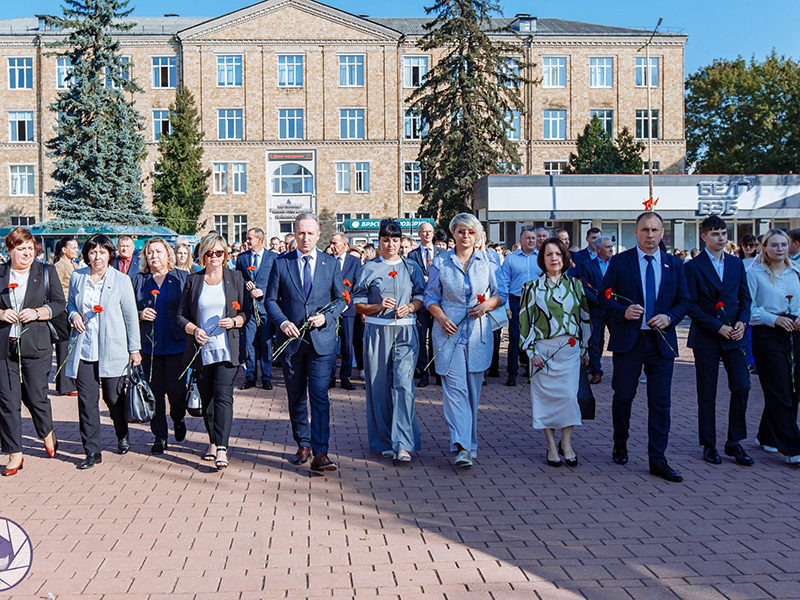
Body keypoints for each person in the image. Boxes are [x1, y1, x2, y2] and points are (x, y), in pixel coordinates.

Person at [601, 212, 690, 482]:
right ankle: (620, 441)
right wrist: (622, 311)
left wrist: (670, 317)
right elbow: (603, 298)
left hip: (661, 343)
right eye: (645, 230)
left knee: (660, 402)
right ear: (636, 232)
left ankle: (657, 459)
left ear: (663, 233)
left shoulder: (675, 265)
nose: (650, 235)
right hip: (630, 341)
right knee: (623, 396)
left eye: (655, 230)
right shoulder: (620, 261)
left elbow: (685, 301)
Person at [425, 213, 506, 467]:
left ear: (477, 235)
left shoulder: (488, 261)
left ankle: (469, 446)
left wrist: (487, 306)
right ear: (453, 234)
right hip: (449, 334)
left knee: (472, 393)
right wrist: (440, 318)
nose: (466, 236)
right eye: (461, 231)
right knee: (455, 391)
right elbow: (430, 297)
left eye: (471, 232)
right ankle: (462, 446)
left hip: (478, 333)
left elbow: (501, 294)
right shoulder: (441, 262)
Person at [266, 213, 346, 472]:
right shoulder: (281, 263)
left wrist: (327, 316)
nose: (305, 238)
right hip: (291, 341)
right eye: (301, 233)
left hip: (321, 342)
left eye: (310, 233)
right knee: (296, 395)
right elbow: (269, 300)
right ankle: (303, 443)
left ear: (318, 235)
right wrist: (282, 322)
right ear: (295, 233)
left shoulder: (330, 264)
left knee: (320, 396)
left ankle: (321, 452)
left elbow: (341, 299)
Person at [66, 234, 141, 470]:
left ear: (110, 254)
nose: (97, 257)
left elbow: (130, 316)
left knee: (113, 398)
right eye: (92, 252)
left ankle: (122, 432)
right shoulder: (78, 277)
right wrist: (73, 315)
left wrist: (134, 349)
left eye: (101, 252)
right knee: (87, 403)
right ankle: (92, 450)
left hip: (113, 348)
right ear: (87, 254)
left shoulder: (121, 280)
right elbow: (70, 304)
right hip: (85, 348)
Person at [354, 220, 425, 461]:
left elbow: (421, 297)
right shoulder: (368, 268)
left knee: (404, 385)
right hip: (377, 332)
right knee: (378, 387)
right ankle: (384, 440)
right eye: (386, 240)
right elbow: (358, 305)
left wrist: (411, 307)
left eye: (395, 240)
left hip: (405, 332)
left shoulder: (411, 267)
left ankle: (403, 443)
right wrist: (377, 306)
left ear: (401, 241)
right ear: (379, 241)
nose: (390, 244)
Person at [684, 216, 753, 466]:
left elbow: (746, 298)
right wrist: (718, 326)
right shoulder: (692, 267)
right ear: (704, 236)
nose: (721, 238)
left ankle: (734, 442)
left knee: (743, 386)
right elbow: (690, 305)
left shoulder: (736, 263)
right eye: (715, 234)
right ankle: (709, 444)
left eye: (723, 233)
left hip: (735, 335)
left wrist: (742, 323)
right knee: (707, 392)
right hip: (707, 337)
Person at [177, 232, 247, 470]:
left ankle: (222, 448)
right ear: (203, 255)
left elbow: (246, 313)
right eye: (210, 253)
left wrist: (236, 321)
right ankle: (212, 440)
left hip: (228, 349)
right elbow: (180, 315)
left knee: (223, 396)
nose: (215, 257)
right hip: (202, 350)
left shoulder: (236, 278)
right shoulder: (193, 280)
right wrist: (193, 329)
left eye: (220, 252)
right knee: (207, 399)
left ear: (225, 255)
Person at [519, 236, 591, 467]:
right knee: (545, 400)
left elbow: (585, 319)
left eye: (558, 254)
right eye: (549, 254)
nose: (554, 258)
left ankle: (566, 443)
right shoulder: (531, 287)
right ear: (542, 259)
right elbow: (524, 323)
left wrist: (585, 347)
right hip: (543, 353)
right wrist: (531, 352)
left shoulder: (576, 286)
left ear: (565, 257)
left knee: (569, 399)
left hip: (569, 351)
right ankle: (551, 445)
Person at [0, 228, 65, 476]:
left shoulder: (46, 272)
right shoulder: (1, 274)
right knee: (7, 400)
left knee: (36, 396)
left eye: (30, 248)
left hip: (36, 345)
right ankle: (15, 453)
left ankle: (47, 430)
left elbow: (59, 304)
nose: (27, 253)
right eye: (21, 249)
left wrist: (38, 313)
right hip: (5, 346)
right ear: (10, 251)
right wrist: (2, 314)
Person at [747, 228, 800, 464]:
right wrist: (774, 319)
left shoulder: (796, 272)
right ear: (765, 248)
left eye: (784, 244)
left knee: (792, 389)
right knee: (779, 388)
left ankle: (767, 435)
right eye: (774, 245)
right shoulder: (754, 273)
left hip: (795, 333)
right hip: (767, 333)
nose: (780, 249)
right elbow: (748, 309)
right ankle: (792, 447)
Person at [132, 238, 188, 455]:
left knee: (176, 391)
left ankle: (178, 417)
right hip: (149, 347)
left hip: (177, 344)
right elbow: (126, 310)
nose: (154, 256)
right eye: (150, 252)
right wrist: (139, 314)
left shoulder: (182, 277)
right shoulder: (137, 280)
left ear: (168, 254)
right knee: (154, 393)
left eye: (159, 251)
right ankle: (159, 436)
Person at [497, 228, 541, 386]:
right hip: (517, 301)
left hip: (536, 302)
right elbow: (504, 283)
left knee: (535, 337)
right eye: (527, 238)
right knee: (515, 338)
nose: (531, 240)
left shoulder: (541, 258)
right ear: (521, 241)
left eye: (533, 238)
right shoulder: (511, 259)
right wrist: (507, 306)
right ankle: (512, 373)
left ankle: (532, 372)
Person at [235, 228, 276, 391]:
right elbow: (237, 279)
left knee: (266, 344)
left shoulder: (273, 258)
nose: (247, 241)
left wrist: (263, 292)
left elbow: (276, 282)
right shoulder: (242, 258)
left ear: (259, 239)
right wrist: (245, 286)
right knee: (249, 344)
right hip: (249, 310)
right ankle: (250, 376)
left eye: (249, 238)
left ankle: (266, 377)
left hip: (265, 308)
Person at [572, 235, 615, 384]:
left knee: (617, 339)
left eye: (611, 246)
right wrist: (597, 300)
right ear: (598, 249)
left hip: (614, 309)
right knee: (595, 341)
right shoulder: (587, 265)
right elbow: (583, 286)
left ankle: (620, 371)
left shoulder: (616, 264)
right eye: (608, 247)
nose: (611, 249)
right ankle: (596, 372)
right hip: (596, 309)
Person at [407, 222, 445, 387]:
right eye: (424, 232)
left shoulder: (443, 254)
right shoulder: (412, 255)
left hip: (439, 303)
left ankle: (438, 372)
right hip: (421, 303)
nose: (427, 234)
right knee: (422, 340)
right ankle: (423, 374)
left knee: (437, 339)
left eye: (430, 231)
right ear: (419, 234)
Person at [329, 233, 361, 390]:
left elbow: (358, 285)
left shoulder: (354, 261)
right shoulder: (327, 259)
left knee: (347, 344)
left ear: (344, 245)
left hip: (348, 309)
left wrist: (349, 301)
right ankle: (330, 377)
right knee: (330, 344)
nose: (332, 246)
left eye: (335, 243)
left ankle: (345, 377)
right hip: (330, 309)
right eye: (331, 243)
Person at [54, 235, 80, 396]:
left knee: (73, 348)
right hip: (63, 311)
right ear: (64, 250)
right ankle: (66, 386)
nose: (76, 250)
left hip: (75, 310)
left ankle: (73, 382)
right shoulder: (59, 266)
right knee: (64, 349)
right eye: (73, 248)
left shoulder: (75, 265)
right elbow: (56, 289)